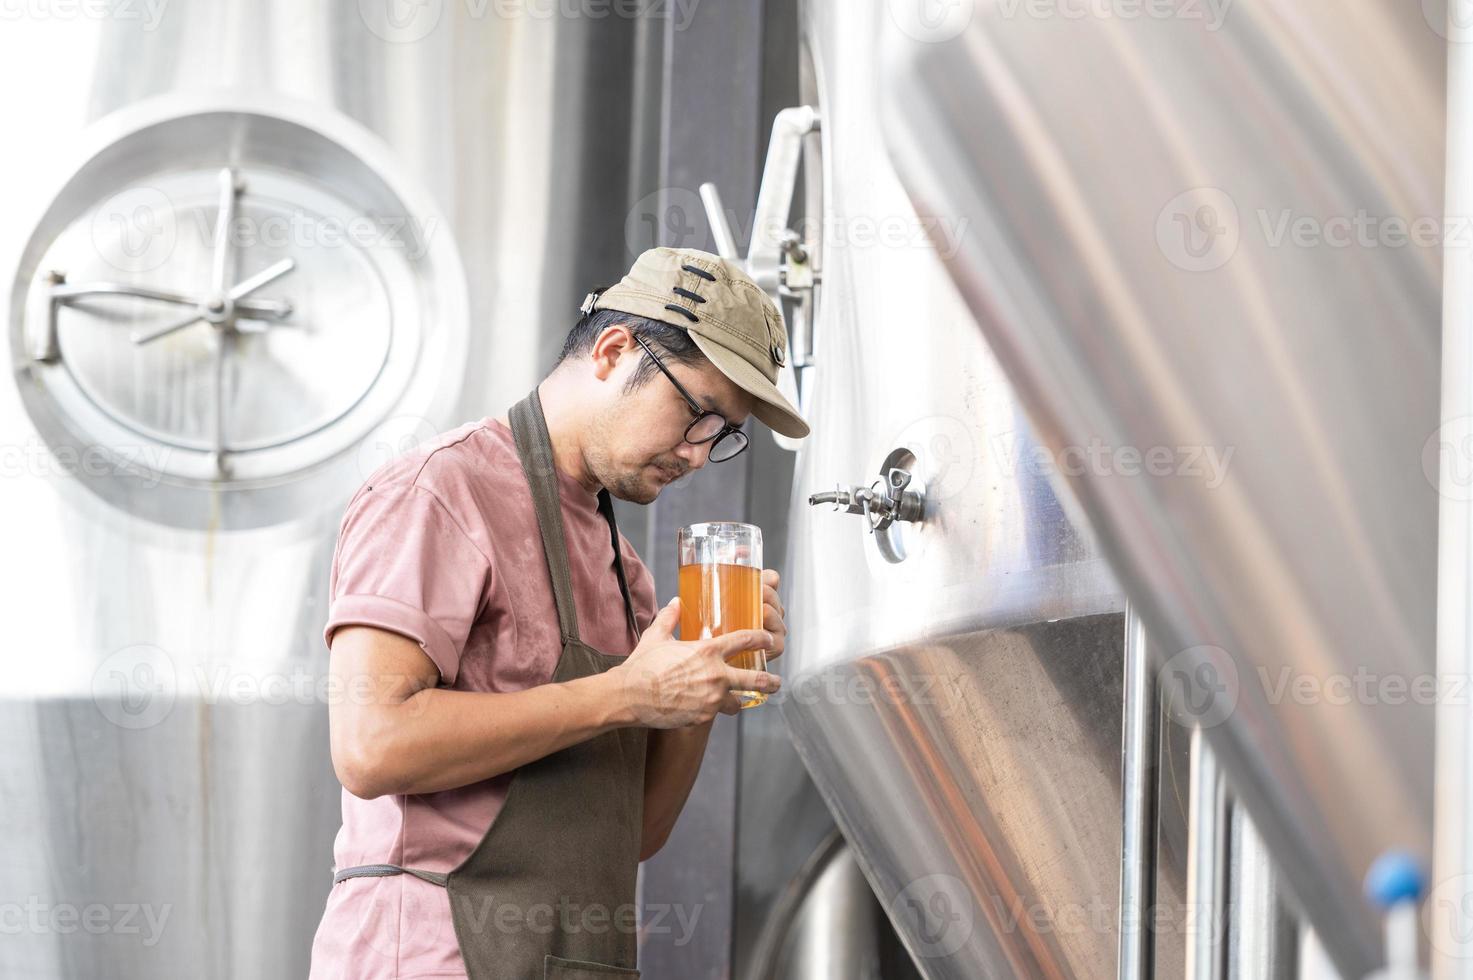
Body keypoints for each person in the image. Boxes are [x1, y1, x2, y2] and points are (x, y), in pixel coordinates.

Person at [308, 246, 811, 979]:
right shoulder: (441, 492)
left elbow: (633, 833)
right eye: (698, 413)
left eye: (723, 435)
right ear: (613, 351)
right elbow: (370, 744)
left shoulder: (625, 574)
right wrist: (627, 693)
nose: (700, 454)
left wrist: (699, 688)